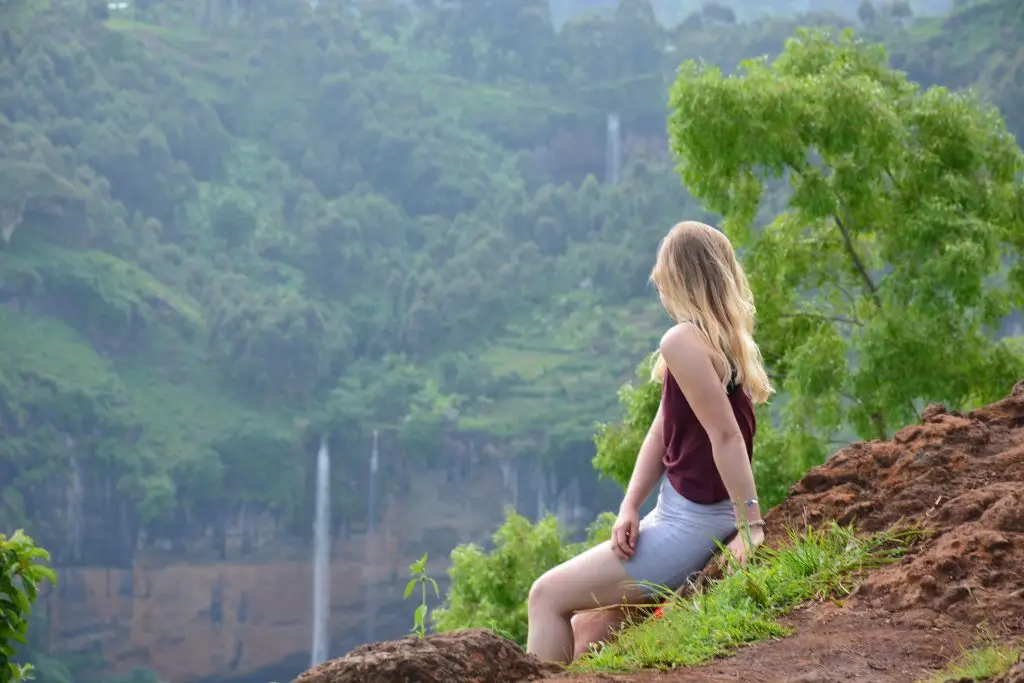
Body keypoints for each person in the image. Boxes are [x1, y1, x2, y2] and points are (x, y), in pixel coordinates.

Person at [525, 220, 775, 663]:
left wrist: (751, 525)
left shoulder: (682, 340)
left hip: (693, 525)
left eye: (662, 275)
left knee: (545, 597)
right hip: (675, 512)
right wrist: (630, 506)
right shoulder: (720, 341)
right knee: (587, 629)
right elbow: (662, 429)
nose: (657, 284)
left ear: (679, 277)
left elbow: (725, 436)